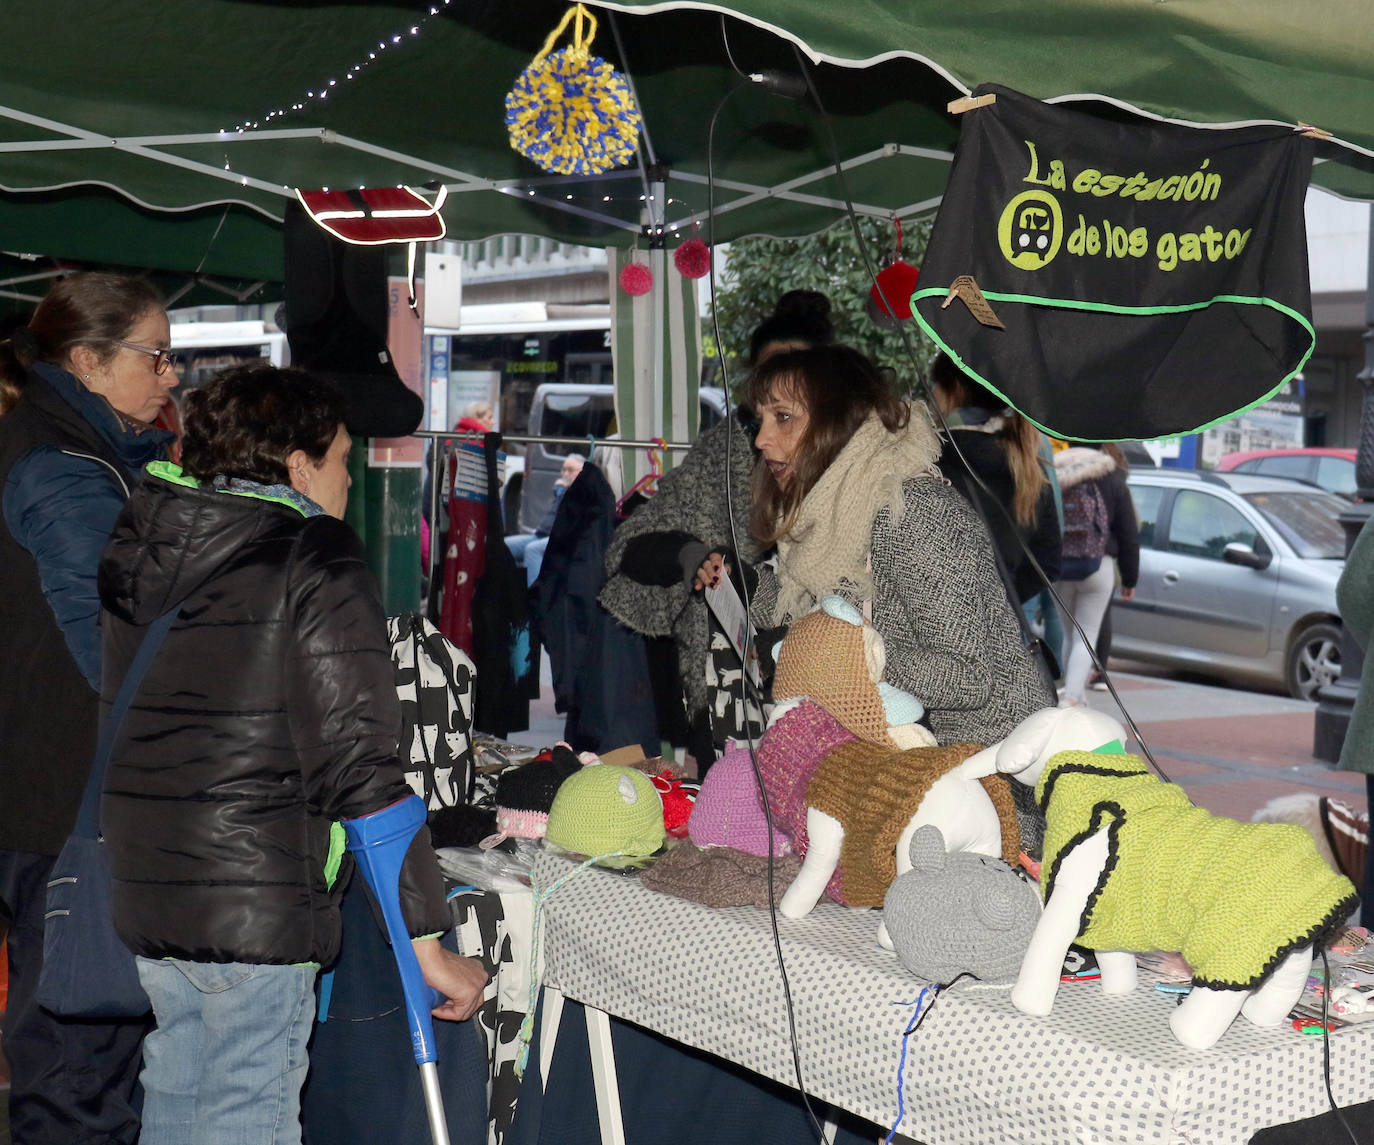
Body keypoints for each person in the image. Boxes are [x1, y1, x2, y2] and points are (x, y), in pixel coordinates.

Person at [96, 364, 488, 1145]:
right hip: (257, 893)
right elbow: (360, 763)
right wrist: (427, 941)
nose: (347, 478)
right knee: (247, 1110)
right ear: (299, 464)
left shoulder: (152, 537)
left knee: (177, 1097)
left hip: (149, 881)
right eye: (342, 457)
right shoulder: (313, 549)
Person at [0, 271, 177, 1145]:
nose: (171, 373)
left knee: (78, 1053)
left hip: (46, 791)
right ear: (87, 360)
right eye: (156, 354)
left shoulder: (75, 450)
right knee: (77, 1062)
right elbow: (116, 643)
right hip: (65, 804)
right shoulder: (64, 467)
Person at [729, 343, 1054, 750]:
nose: (761, 439)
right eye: (760, 420)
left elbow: (968, 677)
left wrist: (846, 652)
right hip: (900, 764)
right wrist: (743, 582)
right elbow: (819, 613)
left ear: (839, 421)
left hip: (975, 777)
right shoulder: (829, 510)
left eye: (784, 418)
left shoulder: (914, 510)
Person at [600, 289, 834, 770]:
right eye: (770, 376)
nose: (781, 392)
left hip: (825, 701)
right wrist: (692, 554)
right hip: (723, 697)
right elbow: (631, 547)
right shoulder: (721, 452)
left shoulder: (849, 469)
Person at [929, 352, 1061, 603]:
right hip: (1001, 633)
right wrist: (1002, 606)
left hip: (937, 624)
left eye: (936, 384)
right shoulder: (1029, 467)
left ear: (954, 389)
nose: (932, 393)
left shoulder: (933, 461)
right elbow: (1049, 561)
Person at [1052, 443, 1140, 707]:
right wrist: (1129, 577)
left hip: (1060, 565)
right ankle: (1070, 699)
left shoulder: (1054, 473)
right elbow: (1128, 533)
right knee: (1087, 636)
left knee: (1070, 635)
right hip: (1098, 566)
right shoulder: (1111, 478)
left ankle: (1075, 693)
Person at [507, 451, 584, 586]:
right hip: (542, 535)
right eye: (564, 470)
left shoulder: (584, 491)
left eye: (570, 470)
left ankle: (534, 599)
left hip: (563, 539)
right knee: (505, 545)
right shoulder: (563, 490)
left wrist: (561, 492)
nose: (565, 474)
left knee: (533, 550)